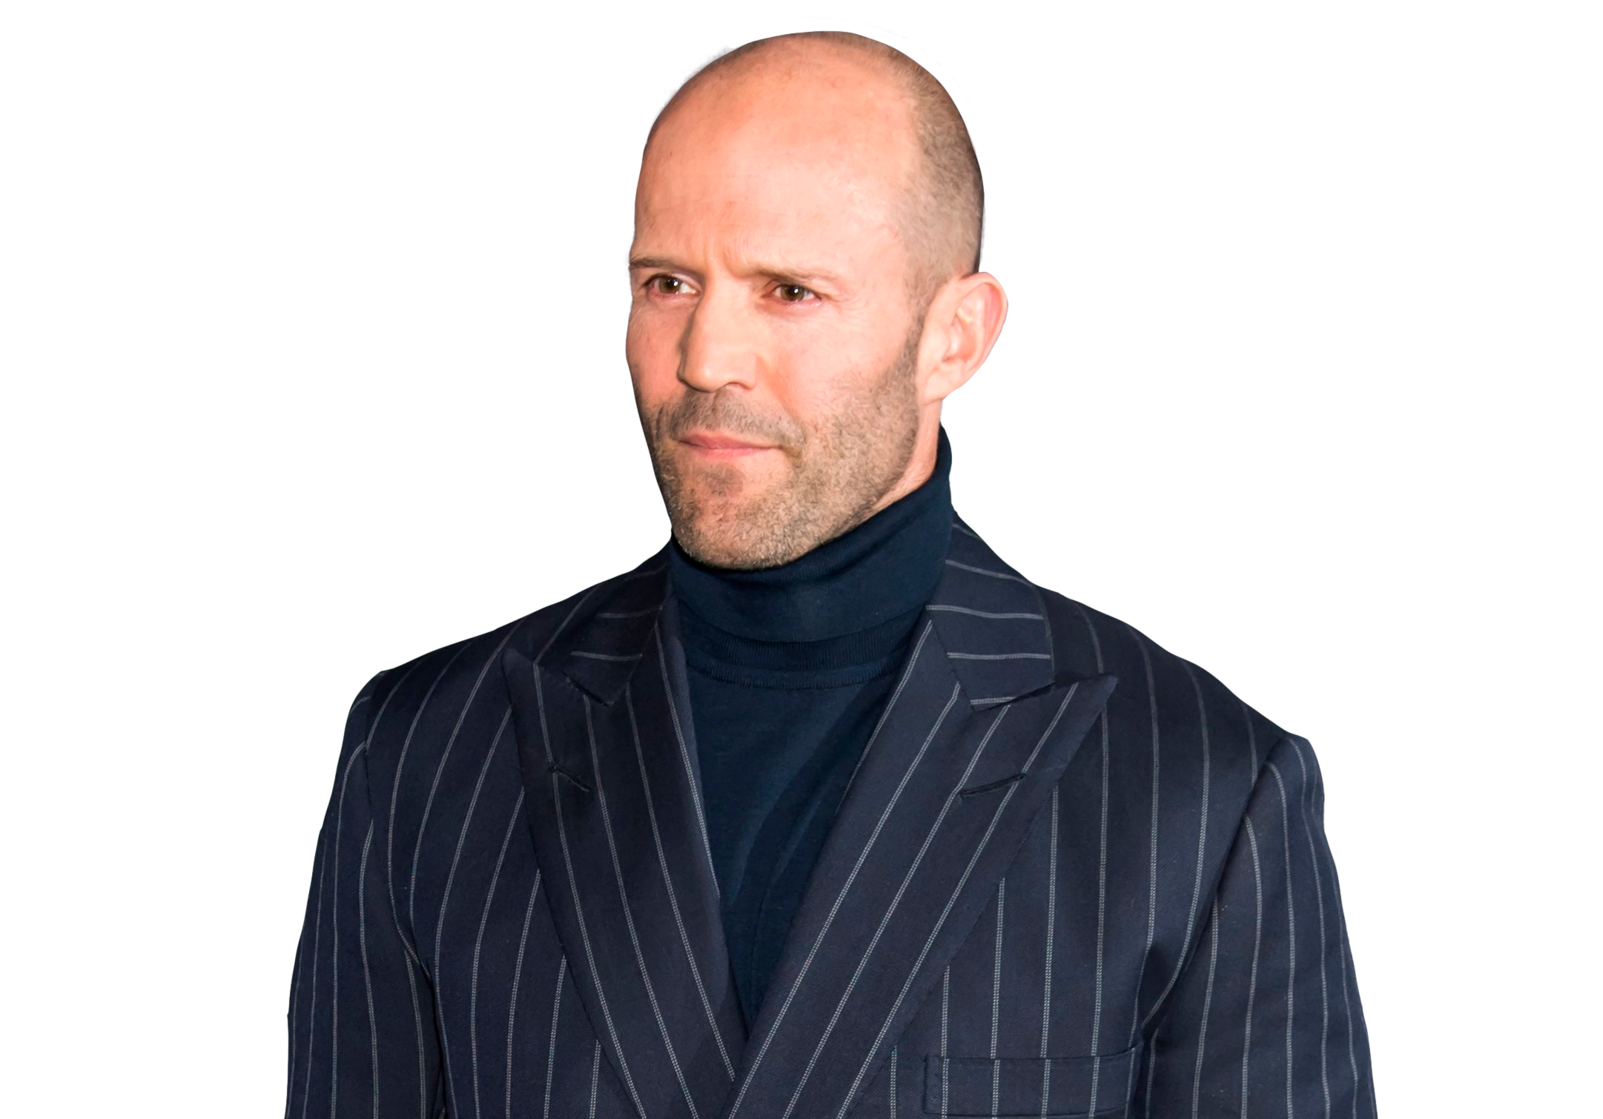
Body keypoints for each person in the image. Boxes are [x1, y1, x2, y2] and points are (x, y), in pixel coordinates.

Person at [285, 28, 1375, 1118]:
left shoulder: (1206, 789)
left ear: (955, 338)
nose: (704, 358)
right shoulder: (423, 749)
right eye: (668, 282)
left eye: (789, 290)